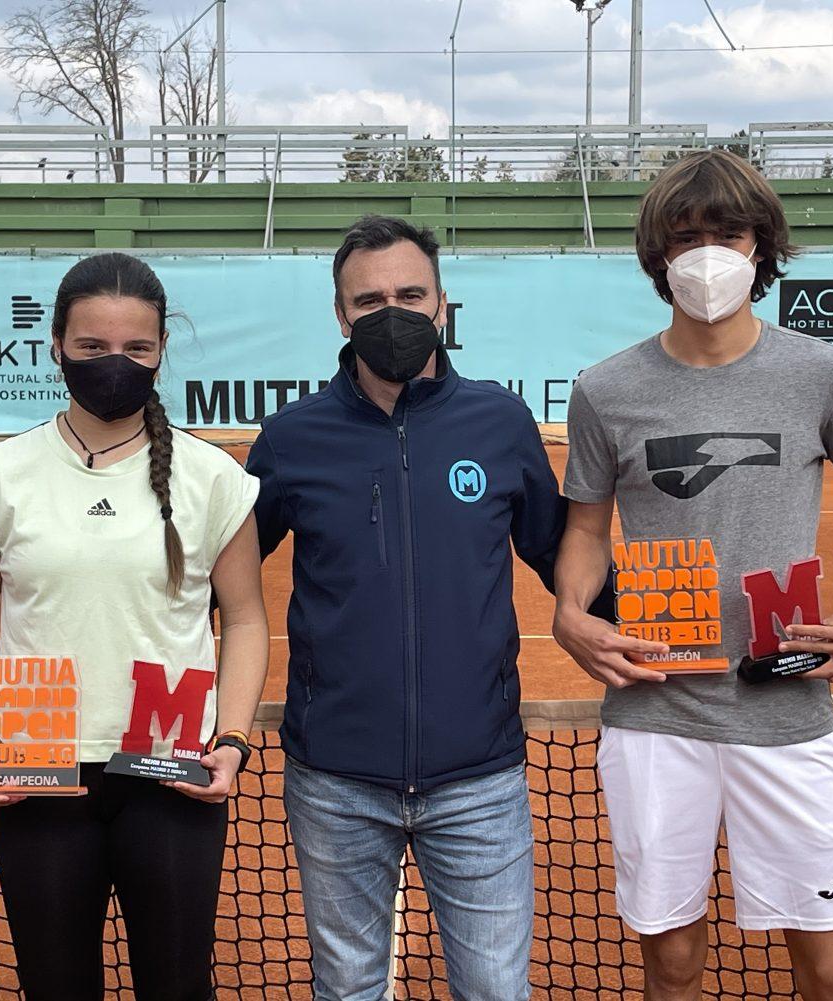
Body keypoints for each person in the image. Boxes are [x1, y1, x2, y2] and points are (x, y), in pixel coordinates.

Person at [551, 150, 833, 1001]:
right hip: (654, 706)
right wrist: (570, 612)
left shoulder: (818, 372)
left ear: (760, 247)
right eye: (684, 236)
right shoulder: (604, 390)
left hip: (785, 702)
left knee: (823, 961)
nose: (705, 253)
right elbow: (583, 527)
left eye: (727, 232)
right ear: (657, 255)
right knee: (671, 960)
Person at [246, 215, 609, 1001]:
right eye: (369, 298)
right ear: (340, 316)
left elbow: (561, 555)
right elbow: (224, 581)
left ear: (443, 303)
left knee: (495, 991)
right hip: (335, 778)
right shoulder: (289, 437)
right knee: (346, 990)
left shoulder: (499, 421)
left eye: (411, 293)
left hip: (479, 778)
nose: (392, 311)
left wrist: (663, 626)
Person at [0, 252, 269, 1001]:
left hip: (170, 768)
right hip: (37, 769)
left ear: (160, 354)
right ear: (54, 345)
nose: (113, 363)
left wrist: (235, 739)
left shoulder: (212, 477)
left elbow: (246, 619)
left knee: (178, 986)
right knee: (55, 986)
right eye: (91, 346)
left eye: (136, 349)